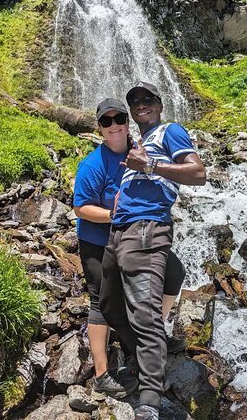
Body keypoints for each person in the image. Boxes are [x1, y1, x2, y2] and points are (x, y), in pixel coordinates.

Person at [99, 82, 206, 420]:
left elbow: (198, 173)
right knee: (107, 305)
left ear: (160, 104)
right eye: (134, 101)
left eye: (147, 99)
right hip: (120, 231)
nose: (140, 104)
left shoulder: (170, 131)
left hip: (146, 230)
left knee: (144, 315)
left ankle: (149, 400)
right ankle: (148, 352)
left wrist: (148, 167)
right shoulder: (138, 142)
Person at [73, 98, 187, 400]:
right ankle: (102, 374)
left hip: (137, 234)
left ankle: (152, 334)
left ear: (127, 122)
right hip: (98, 239)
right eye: (106, 121)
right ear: (99, 128)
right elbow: (80, 208)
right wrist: (114, 214)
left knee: (174, 273)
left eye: (119, 118)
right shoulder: (93, 164)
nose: (114, 125)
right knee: (100, 300)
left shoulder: (141, 149)